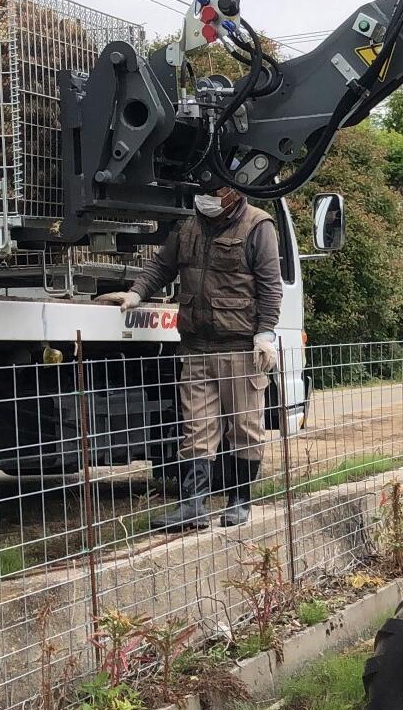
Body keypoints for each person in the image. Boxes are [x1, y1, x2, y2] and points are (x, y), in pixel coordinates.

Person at [98, 187, 282, 530]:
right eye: (202, 192)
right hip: (195, 348)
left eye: (214, 193)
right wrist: (136, 293)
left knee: (244, 429)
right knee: (196, 431)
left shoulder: (259, 226)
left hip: (239, 348)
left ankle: (239, 501)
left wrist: (265, 333)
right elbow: (161, 266)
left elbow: (271, 285)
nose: (205, 199)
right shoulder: (188, 228)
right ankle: (192, 506)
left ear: (232, 194)